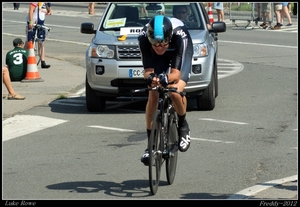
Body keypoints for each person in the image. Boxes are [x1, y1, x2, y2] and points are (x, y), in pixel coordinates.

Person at [138, 15, 193, 165]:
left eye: (163, 43)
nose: (160, 46)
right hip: (158, 58)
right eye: (155, 43)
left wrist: (166, 78)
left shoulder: (178, 37)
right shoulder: (143, 38)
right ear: (149, 39)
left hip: (180, 50)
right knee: (153, 93)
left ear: (168, 38)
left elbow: (175, 74)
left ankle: (183, 126)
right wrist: (151, 78)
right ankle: (150, 145)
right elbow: (148, 71)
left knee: (174, 91)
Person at [25, 2, 52, 69]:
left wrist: (49, 10)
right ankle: (24, 57)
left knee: (41, 42)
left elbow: (48, 10)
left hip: (41, 24)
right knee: (29, 42)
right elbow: (31, 10)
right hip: (33, 23)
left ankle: (43, 61)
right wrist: (31, 22)